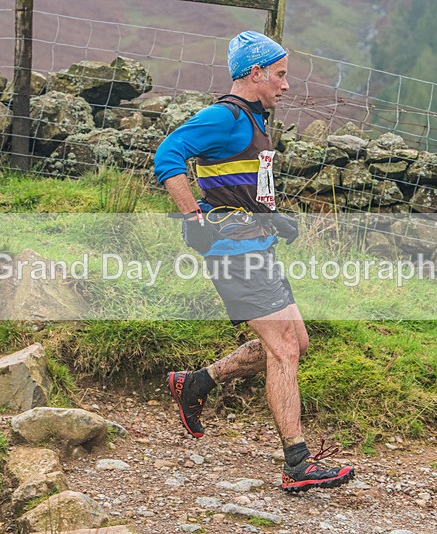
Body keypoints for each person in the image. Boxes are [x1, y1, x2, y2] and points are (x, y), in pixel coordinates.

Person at [153, 30, 354, 492]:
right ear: (255, 72)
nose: (286, 85)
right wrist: (193, 218)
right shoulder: (223, 117)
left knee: (296, 343)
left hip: (256, 244)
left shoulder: (255, 120)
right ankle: (297, 464)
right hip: (232, 250)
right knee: (282, 348)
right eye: (280, 75)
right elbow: (168, 155)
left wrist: (272, 217)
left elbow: (243, 184)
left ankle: (197, 383)